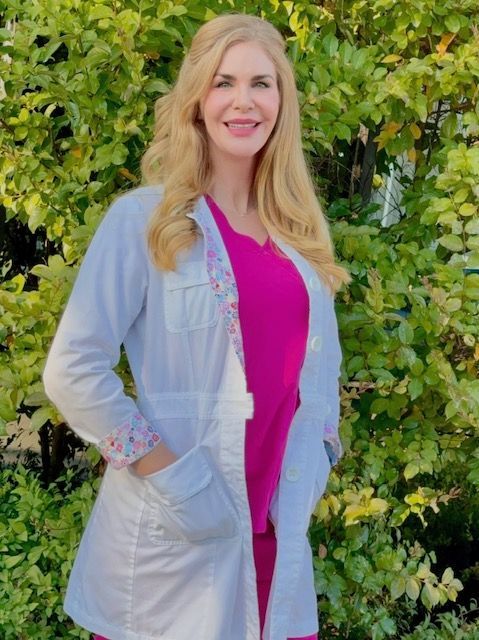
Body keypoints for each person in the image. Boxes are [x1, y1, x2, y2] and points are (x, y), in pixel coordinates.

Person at [43, 13, 350, 640]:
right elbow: (73, 370)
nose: (244, 101)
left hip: (271, 537)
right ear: (197, 101)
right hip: (175, 540)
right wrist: (174, 481)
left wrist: (318, 455)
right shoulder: (146, 222)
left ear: (282, 102)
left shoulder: (299, 241)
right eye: (224, 82)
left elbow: (319, 376)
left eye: (262, 84)